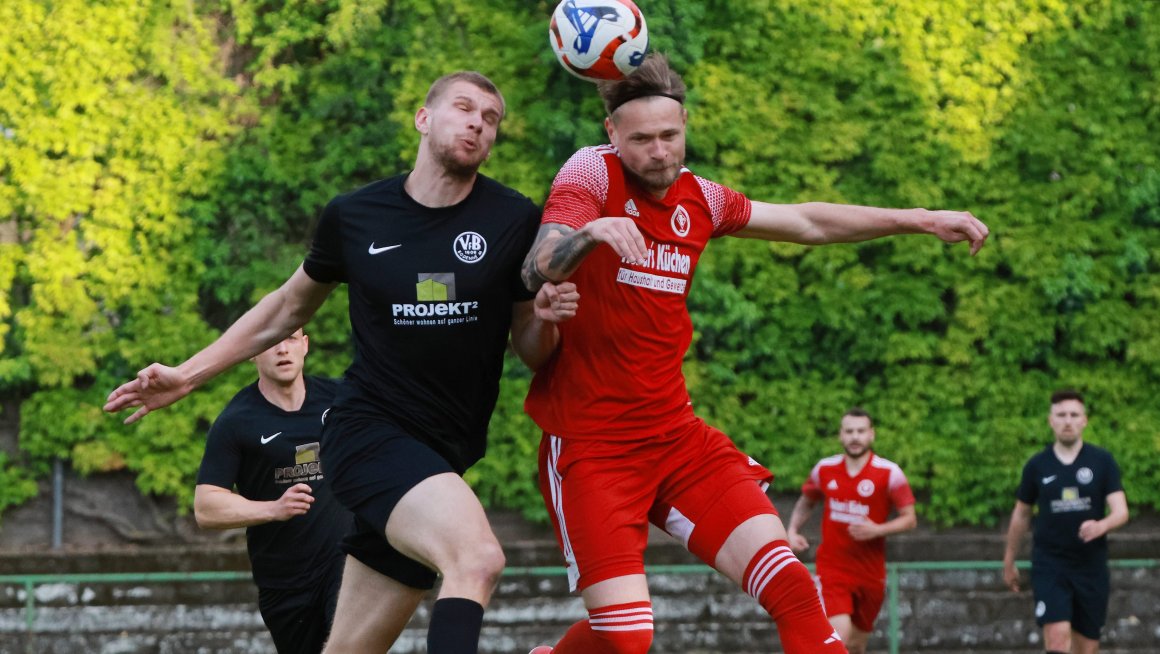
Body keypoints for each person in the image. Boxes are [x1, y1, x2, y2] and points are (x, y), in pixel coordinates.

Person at [520, 53, 988, 654]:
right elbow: (538, 267)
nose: (659, 151)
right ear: (612, 134)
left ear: (685, 124)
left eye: (671, 135)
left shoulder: (701, 199)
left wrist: (921, 219)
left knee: (795, 588)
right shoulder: (591, 173)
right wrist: (592, 233)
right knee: (627, 640)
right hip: (593, 447)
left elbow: (807, 222)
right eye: (641, 140)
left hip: (677, 437)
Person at [106, 71, 580, 654]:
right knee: (477, 559)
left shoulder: (512, 219)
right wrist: (187, 374)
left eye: (491, 118)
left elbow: (530, 350)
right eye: (464, 107)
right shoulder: (356, 216)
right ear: (423, 118)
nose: (478, 122)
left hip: (446, 453)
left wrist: (546, 318)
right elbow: (284, 307)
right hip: (368, 434)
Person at [194, 328, 348, 654]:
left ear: (305, 345)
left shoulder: (341, 400)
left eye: (291, 339)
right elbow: (206, 507)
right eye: (271, 342)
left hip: (347, 563)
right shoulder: (236, 421)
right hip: (285, 582)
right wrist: (273, 509)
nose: (283, 350)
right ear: (253, 351)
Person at [1002, 390, 1129, 654]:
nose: (1067, 421)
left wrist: (1101, 526)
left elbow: (1120, 511)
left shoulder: (1102, 461)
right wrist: (1009, 558)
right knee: (1057, 638)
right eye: (1061, 415)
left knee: (1087, 647)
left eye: (1074, 415)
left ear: (1084, 420)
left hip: (1090, 565)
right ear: (1051, 421)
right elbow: (1021, 514)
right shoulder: (1037, 465)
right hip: (1050, 564)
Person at [785, 408, 917, 654]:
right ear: (840, 436)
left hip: (870, 572)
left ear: (871, 435)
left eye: (860, 431)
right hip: (833, 569)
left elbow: (910, 519)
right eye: (849, 431)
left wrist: (878, 530)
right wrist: (791, 530)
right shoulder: (824, 469)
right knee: (839, 637)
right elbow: (806, 502)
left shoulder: (889, 473)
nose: (855, 437)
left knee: (856, 645)